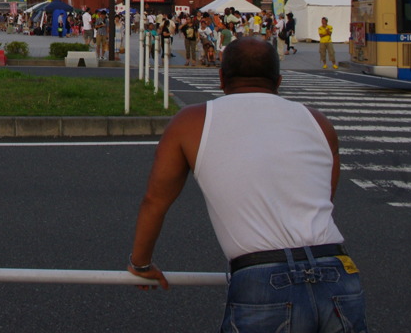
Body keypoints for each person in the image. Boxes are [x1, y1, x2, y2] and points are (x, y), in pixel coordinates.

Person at [127, 38, 366, 332]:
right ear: (278, 80)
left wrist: (140, 264)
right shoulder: (318, 122)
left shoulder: (191, 121)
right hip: (338, 271)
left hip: (262, 276)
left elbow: (155, 200)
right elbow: (324, 198)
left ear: (221, 78)